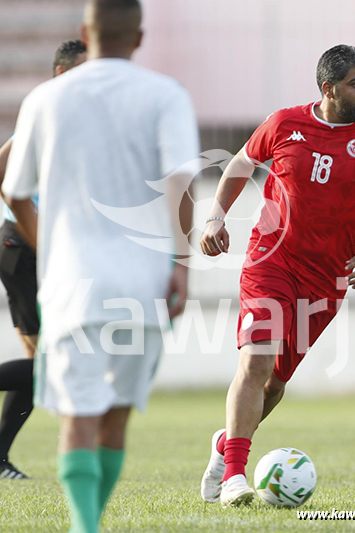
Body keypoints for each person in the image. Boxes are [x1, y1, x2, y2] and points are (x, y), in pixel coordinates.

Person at [2, 0, 199, 530]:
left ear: (84, 35)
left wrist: (49, 247)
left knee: (78, 415)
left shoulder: (46, 99)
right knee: (115, 416)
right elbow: (183, 183)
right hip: (144, 281)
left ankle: (84, 527)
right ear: (139, 37)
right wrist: (181, 264)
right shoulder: (166, 94)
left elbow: (14, 192)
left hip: (73, 285)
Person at [200, 44, 355, 507]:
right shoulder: (284, 124)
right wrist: (216, 215)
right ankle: (236, 476)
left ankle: (225, 447)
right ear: (328, 88)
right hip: (270, 262)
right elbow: (240, 163)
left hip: (326, 280)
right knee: (255, 362)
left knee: (275, 384)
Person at [0, 39, 87, 480]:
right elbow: (3, 170)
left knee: (41, 368)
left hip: (34, 249)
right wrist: (31, 228)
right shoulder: (49, 117)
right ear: (60, 74)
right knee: (48, 365)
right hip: (23, 246)